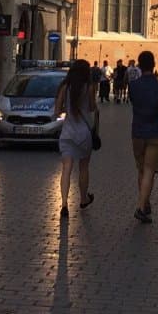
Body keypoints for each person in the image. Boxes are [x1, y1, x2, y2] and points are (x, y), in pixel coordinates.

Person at [129, 50, 158, 223]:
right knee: (149, 171)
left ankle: (145, 201)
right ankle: (141, 208)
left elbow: (134, 102)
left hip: (137, 133)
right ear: (154, 64)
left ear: (140, 66)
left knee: (141, 170)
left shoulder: (133, 86)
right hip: (155, 133)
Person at [53, 59, 97, 217]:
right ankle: (83, 198)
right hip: (84, 133)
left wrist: (67, 108)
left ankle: (64, 203)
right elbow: (92, 108)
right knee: (83, 167)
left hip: (68, 132)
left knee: (66, 169)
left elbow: (57, 111)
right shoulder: (89, 88)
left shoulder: (65, 87)